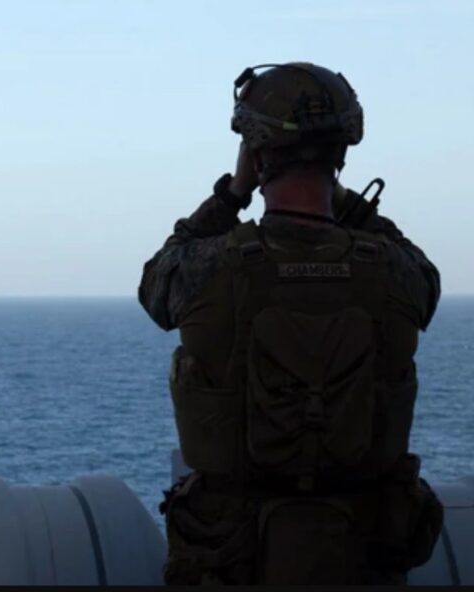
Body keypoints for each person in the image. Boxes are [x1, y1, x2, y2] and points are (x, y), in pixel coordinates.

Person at [138, 62, 443, 584]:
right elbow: (427, 283)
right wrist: (341, 198)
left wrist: (233, 192)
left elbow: (155, 284)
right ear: (341, 155)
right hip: (363, 557)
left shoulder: (207, 269)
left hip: (234, 562)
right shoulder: (394, 270)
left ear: (256, 156)